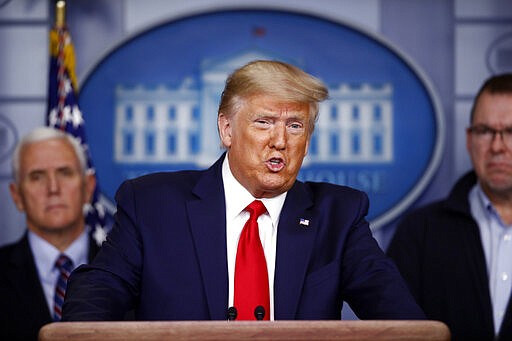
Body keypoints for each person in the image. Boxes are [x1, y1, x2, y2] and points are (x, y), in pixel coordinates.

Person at [63, 60, 424, 321]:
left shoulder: (338, 214)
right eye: (263, 122)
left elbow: (399, 316)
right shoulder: (153, 204)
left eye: (295, 125)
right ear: (227, 130)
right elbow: (99, 290)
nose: (279, 141)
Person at [387, 73, 512, 341]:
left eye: (511, 132)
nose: (497, 146)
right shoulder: (420, 232)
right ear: (470, 139)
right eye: (485, 131)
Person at [0, 127, 99, 340]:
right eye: (37, 177)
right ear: (16, 195)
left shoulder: (131, 274)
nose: (53, 188)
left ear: (88, 188)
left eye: (65, 173)